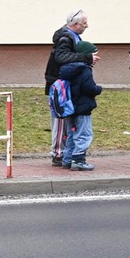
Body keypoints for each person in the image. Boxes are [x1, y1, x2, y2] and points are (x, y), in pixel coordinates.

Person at [46, 10, 98, 168]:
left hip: (66, 86)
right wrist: (86, 58)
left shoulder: (71, 36)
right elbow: (61, 57)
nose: (86, 26)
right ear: (75, 24)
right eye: (84, 24)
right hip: (61, 87)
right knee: (62, 121)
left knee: (67, 123)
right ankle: (59, 154)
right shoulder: (65, 38)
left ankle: (66, 156)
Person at [58, 42, 103, 171]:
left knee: (72, 135)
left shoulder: (68, 69)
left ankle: (67, 160)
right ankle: (78, 160)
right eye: (94, 54)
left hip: (70, 107)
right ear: (86, 55)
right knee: (84, 134)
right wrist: (98, 89)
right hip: (83, 108)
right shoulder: (85, 70)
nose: (97, 58)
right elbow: (89, 88)